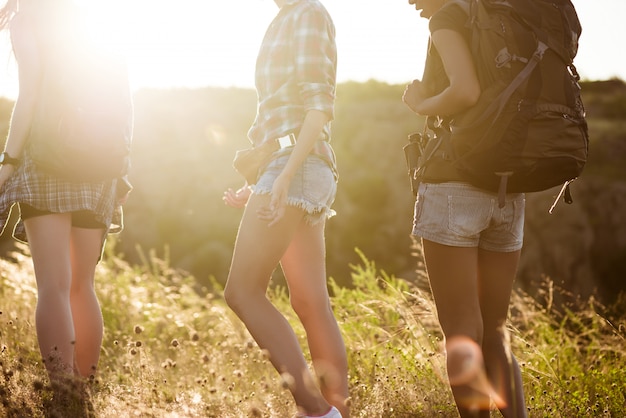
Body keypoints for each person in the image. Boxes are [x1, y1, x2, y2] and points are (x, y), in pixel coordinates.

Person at [401, 0, 527, 417]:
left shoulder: (448, 17)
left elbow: (466, 90)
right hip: (509, 189)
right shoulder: (504, 17)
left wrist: (421, 104)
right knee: (494, 329)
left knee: (461, 332)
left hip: (455, 186)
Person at [222, 0, 348, 417]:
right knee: (310, 300)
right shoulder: (286, 18)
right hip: (291, 164)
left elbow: (318, 106)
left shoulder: (309, 14)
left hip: (298, 164)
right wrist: (258, 181)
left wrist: (282, 177)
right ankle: (337, 413)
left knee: (242, 290)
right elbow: (281, 117)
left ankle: (317, 411)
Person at [0, 0, 131, 389]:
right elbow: (124, 97)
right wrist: (124, 168)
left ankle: (63, 391)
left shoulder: (29, 19)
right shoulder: (95, 13)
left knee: (54, 286)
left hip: (46, 162)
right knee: (82, 285)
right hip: (101, 164)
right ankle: (85, 391)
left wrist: (8, 162)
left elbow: (30, 97)